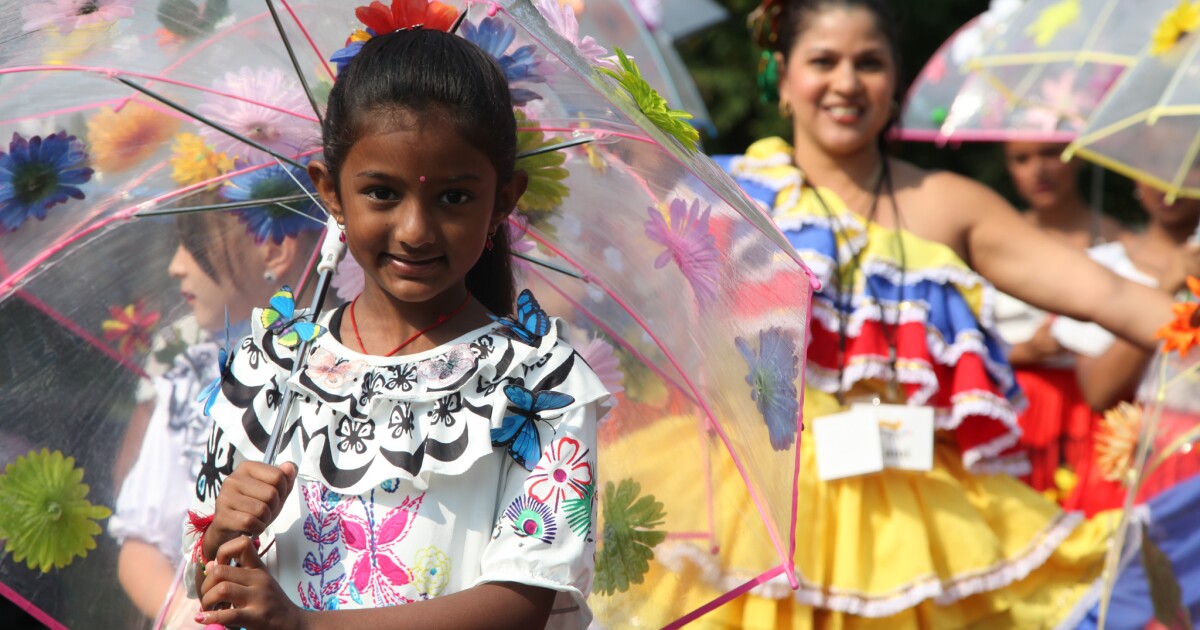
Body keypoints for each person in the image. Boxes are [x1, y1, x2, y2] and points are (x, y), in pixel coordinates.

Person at [597, 1, 1178, 627]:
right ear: (782, 75)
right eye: (824, 61)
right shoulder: (719, 194)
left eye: (868, 63)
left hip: (916, 515)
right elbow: (603, 292)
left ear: (895, 83)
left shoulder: (948, 203)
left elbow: (1110, 296)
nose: (846, 83)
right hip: (755, 504)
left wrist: (1188, 321)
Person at [182, 26, 608, 630]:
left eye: (454, 198)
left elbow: (520, 602)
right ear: (330, 191)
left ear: (505, 199)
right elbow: (210, 587)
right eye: (381, 193)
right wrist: (223, 535)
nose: (415, 229)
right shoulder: (270, 367)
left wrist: (306, 625)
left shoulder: (539, 385)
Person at [109, 209, 318, 623]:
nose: (176, 266)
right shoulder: (192, 367)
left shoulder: (339, 370)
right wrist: (189, 617)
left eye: (197, 245)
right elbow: (139, 543)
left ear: (275, 250)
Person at [1056, 181, 1200, 515]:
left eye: (1190, 167)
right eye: (1157, 164)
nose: (1171, 186)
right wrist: (1167, 287)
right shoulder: (1104, 267)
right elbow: (1099, 392)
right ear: (1136, 177)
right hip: (1134, 470)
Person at [995, 141, 1125, 497]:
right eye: (1021, 158)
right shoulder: (991, 239)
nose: (1038, 170)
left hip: (1098, 413)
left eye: (1051, 153)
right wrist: (1025, 350)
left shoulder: (1126, 243)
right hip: (1018, 410)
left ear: (1080, 156)